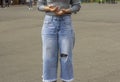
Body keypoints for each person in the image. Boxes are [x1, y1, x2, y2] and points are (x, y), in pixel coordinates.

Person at [37, 0, 81, 82]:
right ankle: (49, 79)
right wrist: (49, 8)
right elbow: (39, 5)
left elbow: (77, 6)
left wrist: (67, 10)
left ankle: (66, 79)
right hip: (49, 23)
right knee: (48, 57)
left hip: (66, 22)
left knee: (66, 56)